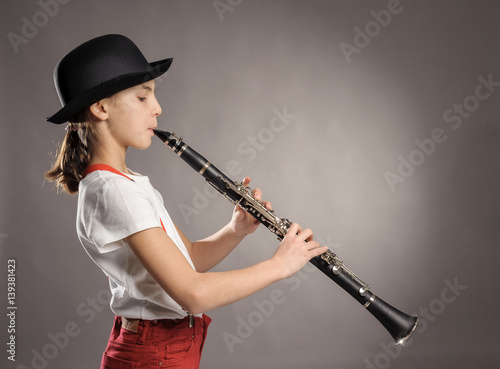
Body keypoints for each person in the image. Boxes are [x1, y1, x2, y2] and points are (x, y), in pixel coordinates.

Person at [45, 34, 327, 369]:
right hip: (154, 355)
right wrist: (279, 266)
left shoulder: (125, 183)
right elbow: (192, 293)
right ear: (101, 107)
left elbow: (188, 259)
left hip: (165, 347)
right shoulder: (112, 191)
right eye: (142, 96)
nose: (157, 108)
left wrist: (235, 230)